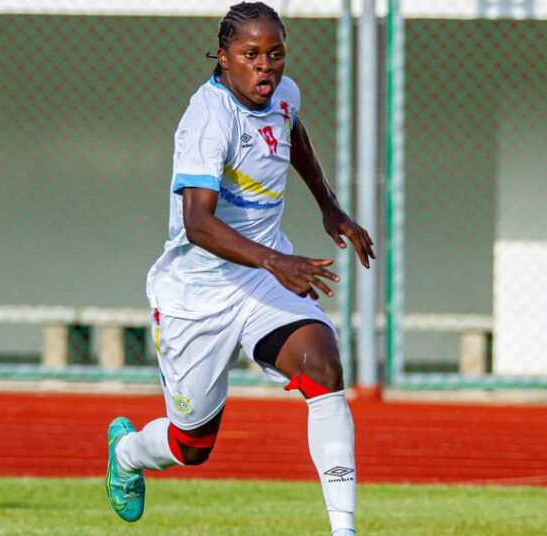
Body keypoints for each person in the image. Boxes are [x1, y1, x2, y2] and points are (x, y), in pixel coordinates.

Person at [105, 3, 375, 535]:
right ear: (223, 57)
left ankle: (343, 529)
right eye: (251, 55)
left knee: (323, 368)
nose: (265, 66)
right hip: (197, 295)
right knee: (192, 444)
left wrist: (329, 205)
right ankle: (127, 453)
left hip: (259, 280)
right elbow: (198, 224)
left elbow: (291, 133)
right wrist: (277, 260)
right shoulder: (207, 120)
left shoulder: (283, 94)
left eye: (275, 54)